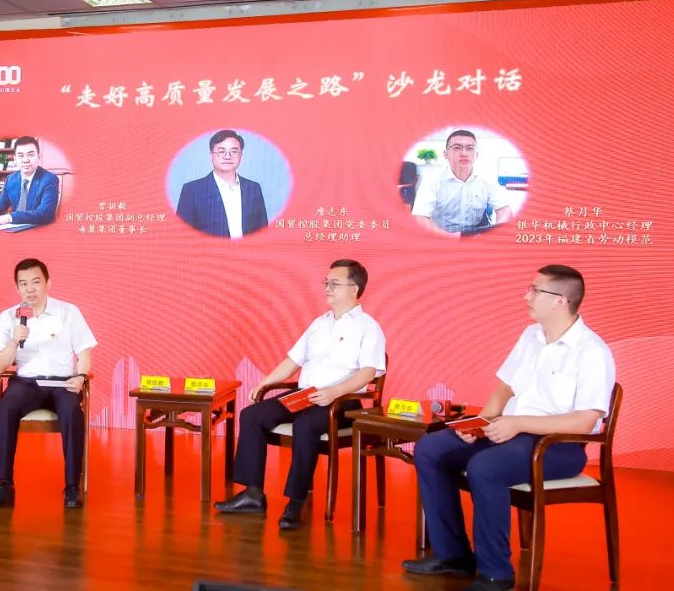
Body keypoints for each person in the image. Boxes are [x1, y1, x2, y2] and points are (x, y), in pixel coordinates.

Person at [402, 265, 615, 591]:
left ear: (560, 300)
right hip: (509, 432)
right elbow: (505, 388)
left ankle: (496, 573)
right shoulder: (531, 336)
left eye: (535, 290)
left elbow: (585, 421)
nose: (526, 296)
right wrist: (479, 423)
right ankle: (453, 554)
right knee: (432, 448)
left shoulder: (592, 351)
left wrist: (518, 423)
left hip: (557, 446)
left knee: (485, 467)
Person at [214, 259, 386, 530]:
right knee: (252, 415)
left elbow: (367, 373)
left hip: (342, 402)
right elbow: (293, 361)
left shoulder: (368, 327)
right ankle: (253, 494)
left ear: (354, 289)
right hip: (305, 396)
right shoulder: (319, 323)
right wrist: (264, 384)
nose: (327, 288)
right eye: (326, 282)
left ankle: (295, 503)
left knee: (306, 426)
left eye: (334, 284)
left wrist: (334, 392)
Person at [0, 258, 97, 510]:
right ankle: (4, 484)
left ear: (48, 283)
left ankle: (72, 487)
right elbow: (0, 366)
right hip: (26, 383)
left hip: (62, 383)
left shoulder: (69, 312)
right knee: (6, 408)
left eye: (36, 282)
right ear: (16, 288)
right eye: (24, 284)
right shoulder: (9, 317)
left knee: (71, 411)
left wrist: (81, 377)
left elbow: (84, 352)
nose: (30, 289)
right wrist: (14, 341)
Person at [411, 130, 514, 236]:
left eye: (470, 148)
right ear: (446, 154)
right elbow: (419, 217)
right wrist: (449, 237)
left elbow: (504, 210)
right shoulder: (432, 179)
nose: (464, 153)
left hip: (476, 234)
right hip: (440, 235)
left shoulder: (487, 178)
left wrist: (496, 232)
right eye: (457, 148)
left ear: (476, 154)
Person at [176, 129, 269, 239]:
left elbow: (263, 232)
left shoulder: (253, 188)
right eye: (221, 151)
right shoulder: (191, 190)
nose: (227, 156)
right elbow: (182, 236)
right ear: (211, 156)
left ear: (241, 156)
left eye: (234, 151)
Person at [0, 136, 59, 226]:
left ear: (39, 157)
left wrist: (9, 217)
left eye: (30, 155)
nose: (25, 160)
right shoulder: (11, 179)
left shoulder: (49, 179)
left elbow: (46, 213)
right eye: (21, 156)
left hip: (38, 229)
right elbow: (0, 207)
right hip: (15, 228)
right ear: (15, 159)